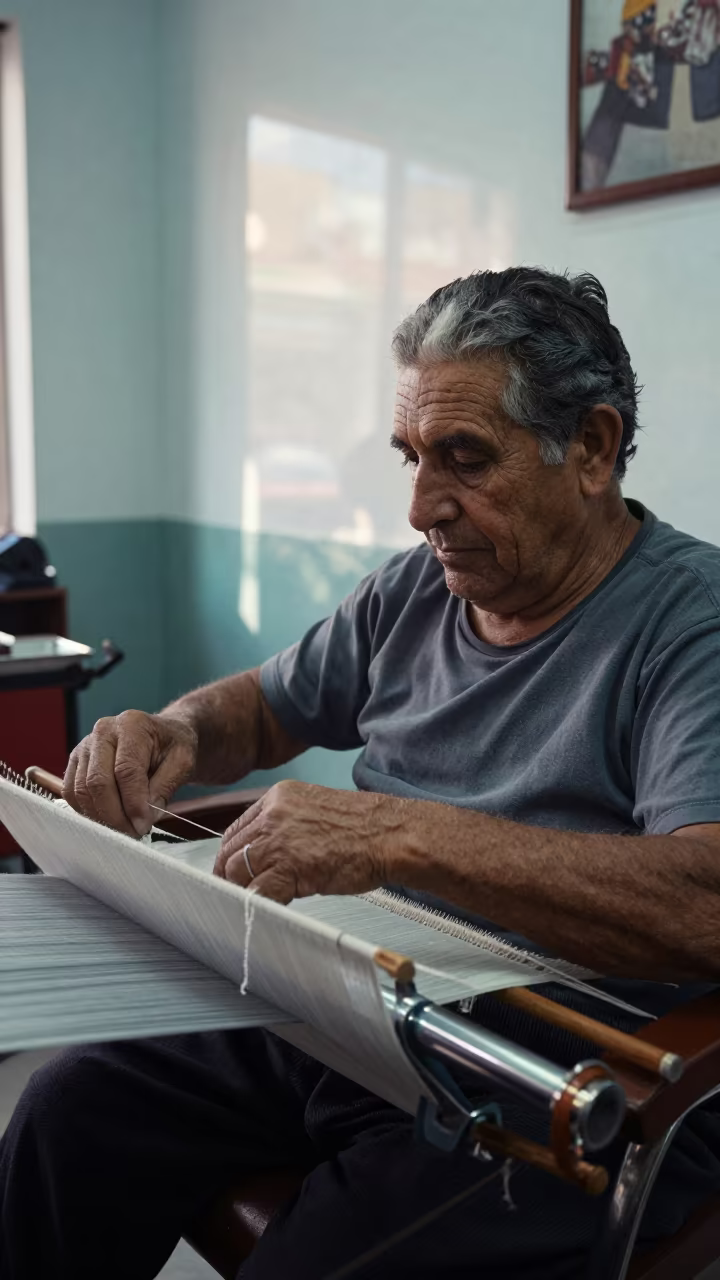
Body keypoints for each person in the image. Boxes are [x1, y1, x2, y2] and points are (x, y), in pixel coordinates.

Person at [2, 267, 720, 1280]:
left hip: (567, 1064)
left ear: (592, 448)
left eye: (465, 459)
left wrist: (398, 836)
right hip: (354, 1000)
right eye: (412, 457)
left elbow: (706, 901)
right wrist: (171, 728)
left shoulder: (690, 628)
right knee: (65, 1112)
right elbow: (260, 706)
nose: (424, 505)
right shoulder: (415, 592)